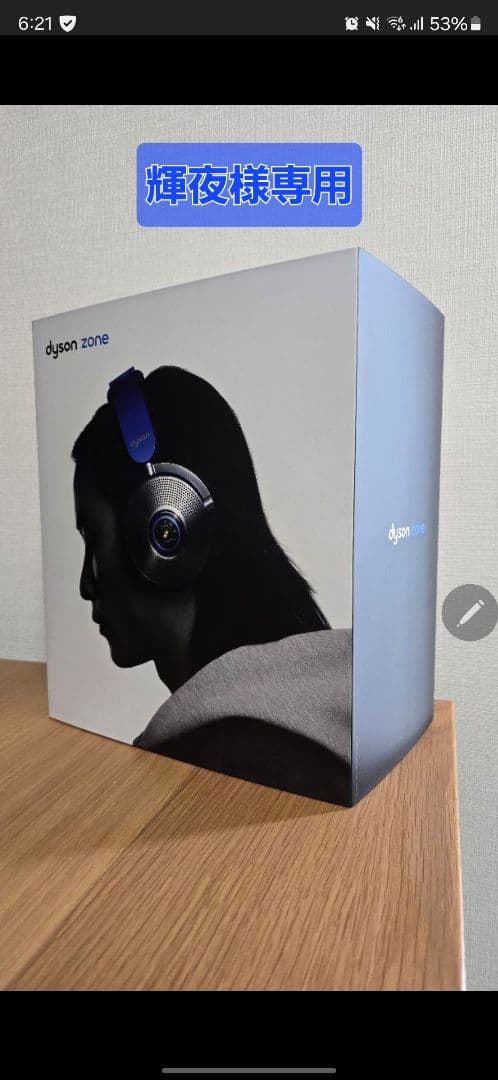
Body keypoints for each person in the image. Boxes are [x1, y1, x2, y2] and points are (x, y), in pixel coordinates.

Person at [72, 365, 351, 803]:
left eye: (93, 538)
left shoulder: (240, 758)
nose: (86, 585)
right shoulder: (312, 710)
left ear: (163, 530)